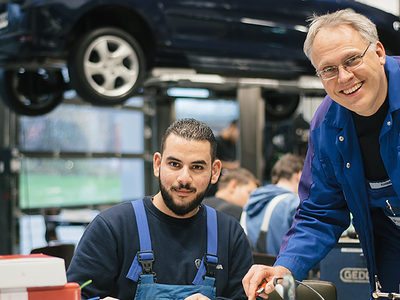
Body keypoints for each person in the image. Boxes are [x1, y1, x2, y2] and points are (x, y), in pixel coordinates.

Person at [242, 9, 400, 299]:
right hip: (389, 244)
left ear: (378, 52)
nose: (344, 77)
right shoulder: (327, 124)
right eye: (328, 70)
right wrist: (284, 268)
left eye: (352, 59)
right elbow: (320, 211)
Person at [67, 118, 253, 300]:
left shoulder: (230, 234)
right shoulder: (112, 227)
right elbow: (75, 296)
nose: (184, 178)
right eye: (174, 164)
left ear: (215, 171)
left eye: (197, 167)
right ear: (157, 164)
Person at [240, 153, 304, 255]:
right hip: (283, 269)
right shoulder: (294, 203)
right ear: (300, 175)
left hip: (251, 269)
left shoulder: (252, 201)